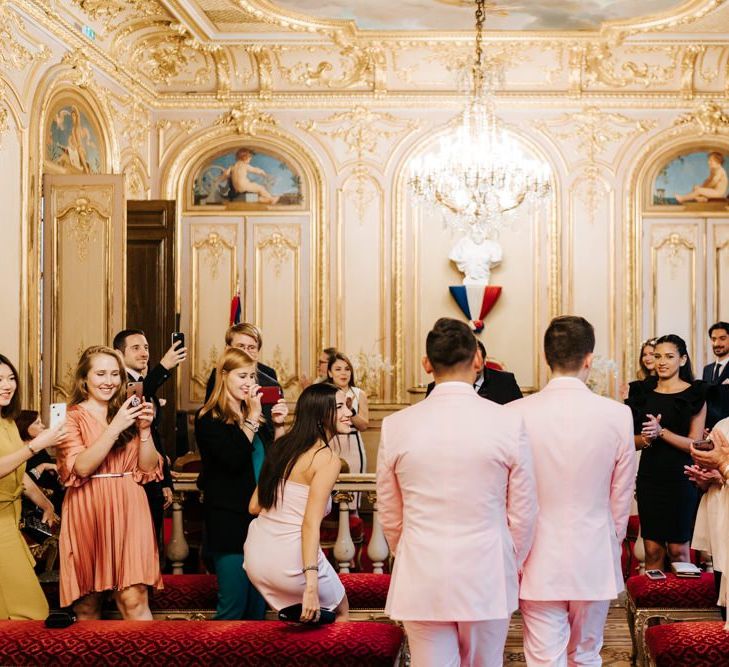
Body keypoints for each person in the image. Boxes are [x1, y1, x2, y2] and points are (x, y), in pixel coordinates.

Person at [377, 318, 537, 667]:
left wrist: (407, 549)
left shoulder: (396, 425)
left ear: (427, 363)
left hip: (423, 566)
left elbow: (389, 511)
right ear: (477, 360)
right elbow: (524, 510)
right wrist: (512, 559)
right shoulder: (508, 421)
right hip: (487, 566)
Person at [507, 316, 637, 667]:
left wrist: (514, 558)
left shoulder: (514, 414)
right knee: (586, 654)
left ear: (546, 356)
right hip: (593, 551)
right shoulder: (617, 415)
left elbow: (510, 498)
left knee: (545, 658)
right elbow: (621, 497)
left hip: (535, 556)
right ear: (589, 358)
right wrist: (610, 545)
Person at [56, 346, 163, 619]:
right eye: (100, 373)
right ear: (84, 378)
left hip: (130, 505)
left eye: (115, 374)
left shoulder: (130, 411)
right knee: (87, 604)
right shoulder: (70, 417)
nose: (109, 381)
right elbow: (80, 466)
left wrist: (145, 430)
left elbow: (147, 469)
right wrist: (115, 426)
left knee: (134, 598)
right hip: (87, 507)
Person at [244, 383, 351, 621]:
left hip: (256, 556)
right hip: (291, 560)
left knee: (304, 625)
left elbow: (254, 506)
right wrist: (311, 586)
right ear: (321, 414)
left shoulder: (282, 446)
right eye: (341, 407)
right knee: (341, 611)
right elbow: (310, 524)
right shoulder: (327, 459)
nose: (349, 413)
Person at [195, 347, 288, 620]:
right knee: (233, 607)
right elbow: (234, 459)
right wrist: (251, 419)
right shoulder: (208, 418)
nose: (249, 383)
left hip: (260, 521)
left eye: (252, 376)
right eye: (242, 376)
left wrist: (279, 426)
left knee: (257, 609)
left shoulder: (256, 418)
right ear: (224, 376)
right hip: (229, 523)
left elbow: (277, 463)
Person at [625, 334, 707, 571]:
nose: (661, 361)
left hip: (682, 478)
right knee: (652, 549)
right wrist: (648, 438)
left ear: (682, 360)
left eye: (669, 356)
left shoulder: (695, 394)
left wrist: (662, 432)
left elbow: (696, 443)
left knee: (678, 550)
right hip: (650, 478)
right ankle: (654, 607)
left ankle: (683, 607)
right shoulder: (641, 393)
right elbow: (630, 442)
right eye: (657, 356)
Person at [0, 354, 64, 620]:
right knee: (31, 612)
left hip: (10, 521)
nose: (7, 385)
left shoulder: (8, 422)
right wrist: (36, 445)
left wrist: (46, 503)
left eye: (10, 378)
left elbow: (21, 475)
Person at [113, 328, 187, 541]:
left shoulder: (143, 382)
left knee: (152, 541)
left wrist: (164, 481)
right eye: (135, 348)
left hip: (152, 472)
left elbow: (153, 435)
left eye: (145, 347)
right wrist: (164, 366)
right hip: (132, 476)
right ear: (119, 354)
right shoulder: (117, 382)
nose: (144, 353)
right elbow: (135, 398)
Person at [686, 416, 729, 618]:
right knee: (721, 582)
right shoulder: (722, 425)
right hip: (718, 513)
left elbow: (723, 471)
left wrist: (722, 473)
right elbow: (706, 482)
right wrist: (702, 478)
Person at [425, 340, 522, 404]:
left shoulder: (506, 381)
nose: (476, 365)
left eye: (478, 359)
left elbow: (518, 412)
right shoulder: (438, 386)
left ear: (484, 360)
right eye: (470, 361)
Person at [205, 322, 280, 401]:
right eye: (241, 346)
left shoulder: (270, 375)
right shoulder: (218, 373)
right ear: (228, 349)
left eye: (251, 347)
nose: (246, 352)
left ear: (258, 351)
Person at [327, 352, 369, 480]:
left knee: (354, 491)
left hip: (354, 445)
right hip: (330, 443)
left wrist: (351, 411)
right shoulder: (324, 394)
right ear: (330, 373)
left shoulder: (359, 394)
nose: (343, 373)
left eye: (347, 369)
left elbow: (364, 426)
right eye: (338, 369)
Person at [15, 410, 65, 514]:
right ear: (25, 426)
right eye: (37, 423)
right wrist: (42, 466)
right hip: (34, 507)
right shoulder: (18, 452)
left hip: (56, 500)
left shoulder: (41, 449)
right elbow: (24, 482)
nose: (42, 426)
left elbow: (52, 471)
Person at [702, 322, 729, 429]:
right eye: (713, 339)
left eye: (722, 338)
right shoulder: (707, 369)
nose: (717, 343)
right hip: (709, 429)